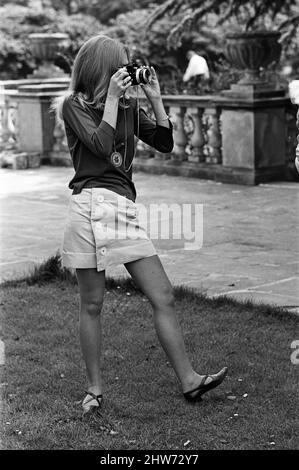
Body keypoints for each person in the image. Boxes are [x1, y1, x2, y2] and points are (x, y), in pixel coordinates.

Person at [53, 35, 228, 414]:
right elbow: (100, 145)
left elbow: (164, 142)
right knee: (92, 303)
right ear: (102, 68)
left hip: (121, 209)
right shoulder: (73, 104)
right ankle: (95, 389)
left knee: (162, 294)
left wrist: (156, 99)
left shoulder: (130, 109)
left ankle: (190, 381)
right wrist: (114, 101)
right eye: (120, 65)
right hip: (88, 208)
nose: (125, 71)